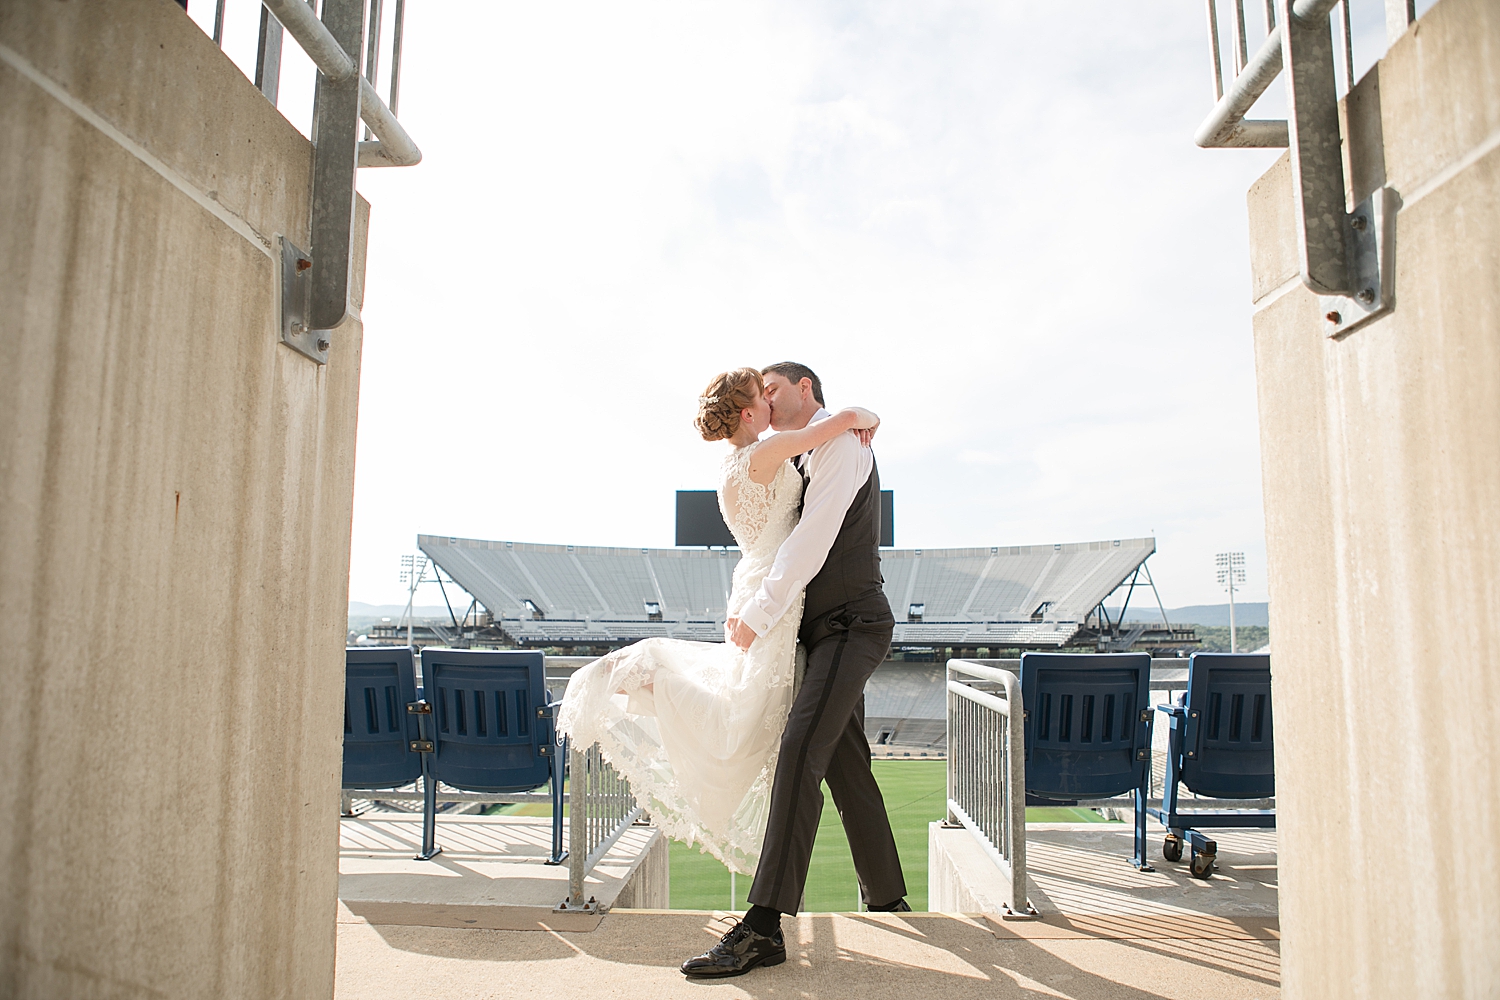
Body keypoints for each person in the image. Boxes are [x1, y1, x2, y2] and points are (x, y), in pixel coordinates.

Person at [555, 368, 880, 879]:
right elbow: (831, 427)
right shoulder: (770, 452)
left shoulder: (741, 463)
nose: (770, 402)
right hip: (770, 588)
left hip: (761, 580)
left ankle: (881, 887)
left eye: (775, 389)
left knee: (760, 709)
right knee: (747, 713)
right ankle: (657, 681)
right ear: (749, 412)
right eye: (762, 394)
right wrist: (860, 416)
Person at [678, 362, 907, 980]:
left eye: (774, 388)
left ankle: (763, 927)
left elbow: (811, 539)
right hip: (819, 633)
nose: (767, 400)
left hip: (851, 627)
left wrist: (757, 612)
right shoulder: (804, 452)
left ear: (806, 390)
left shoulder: (838, 446)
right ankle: (888, 896)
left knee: (799, 750)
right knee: (845, 764)